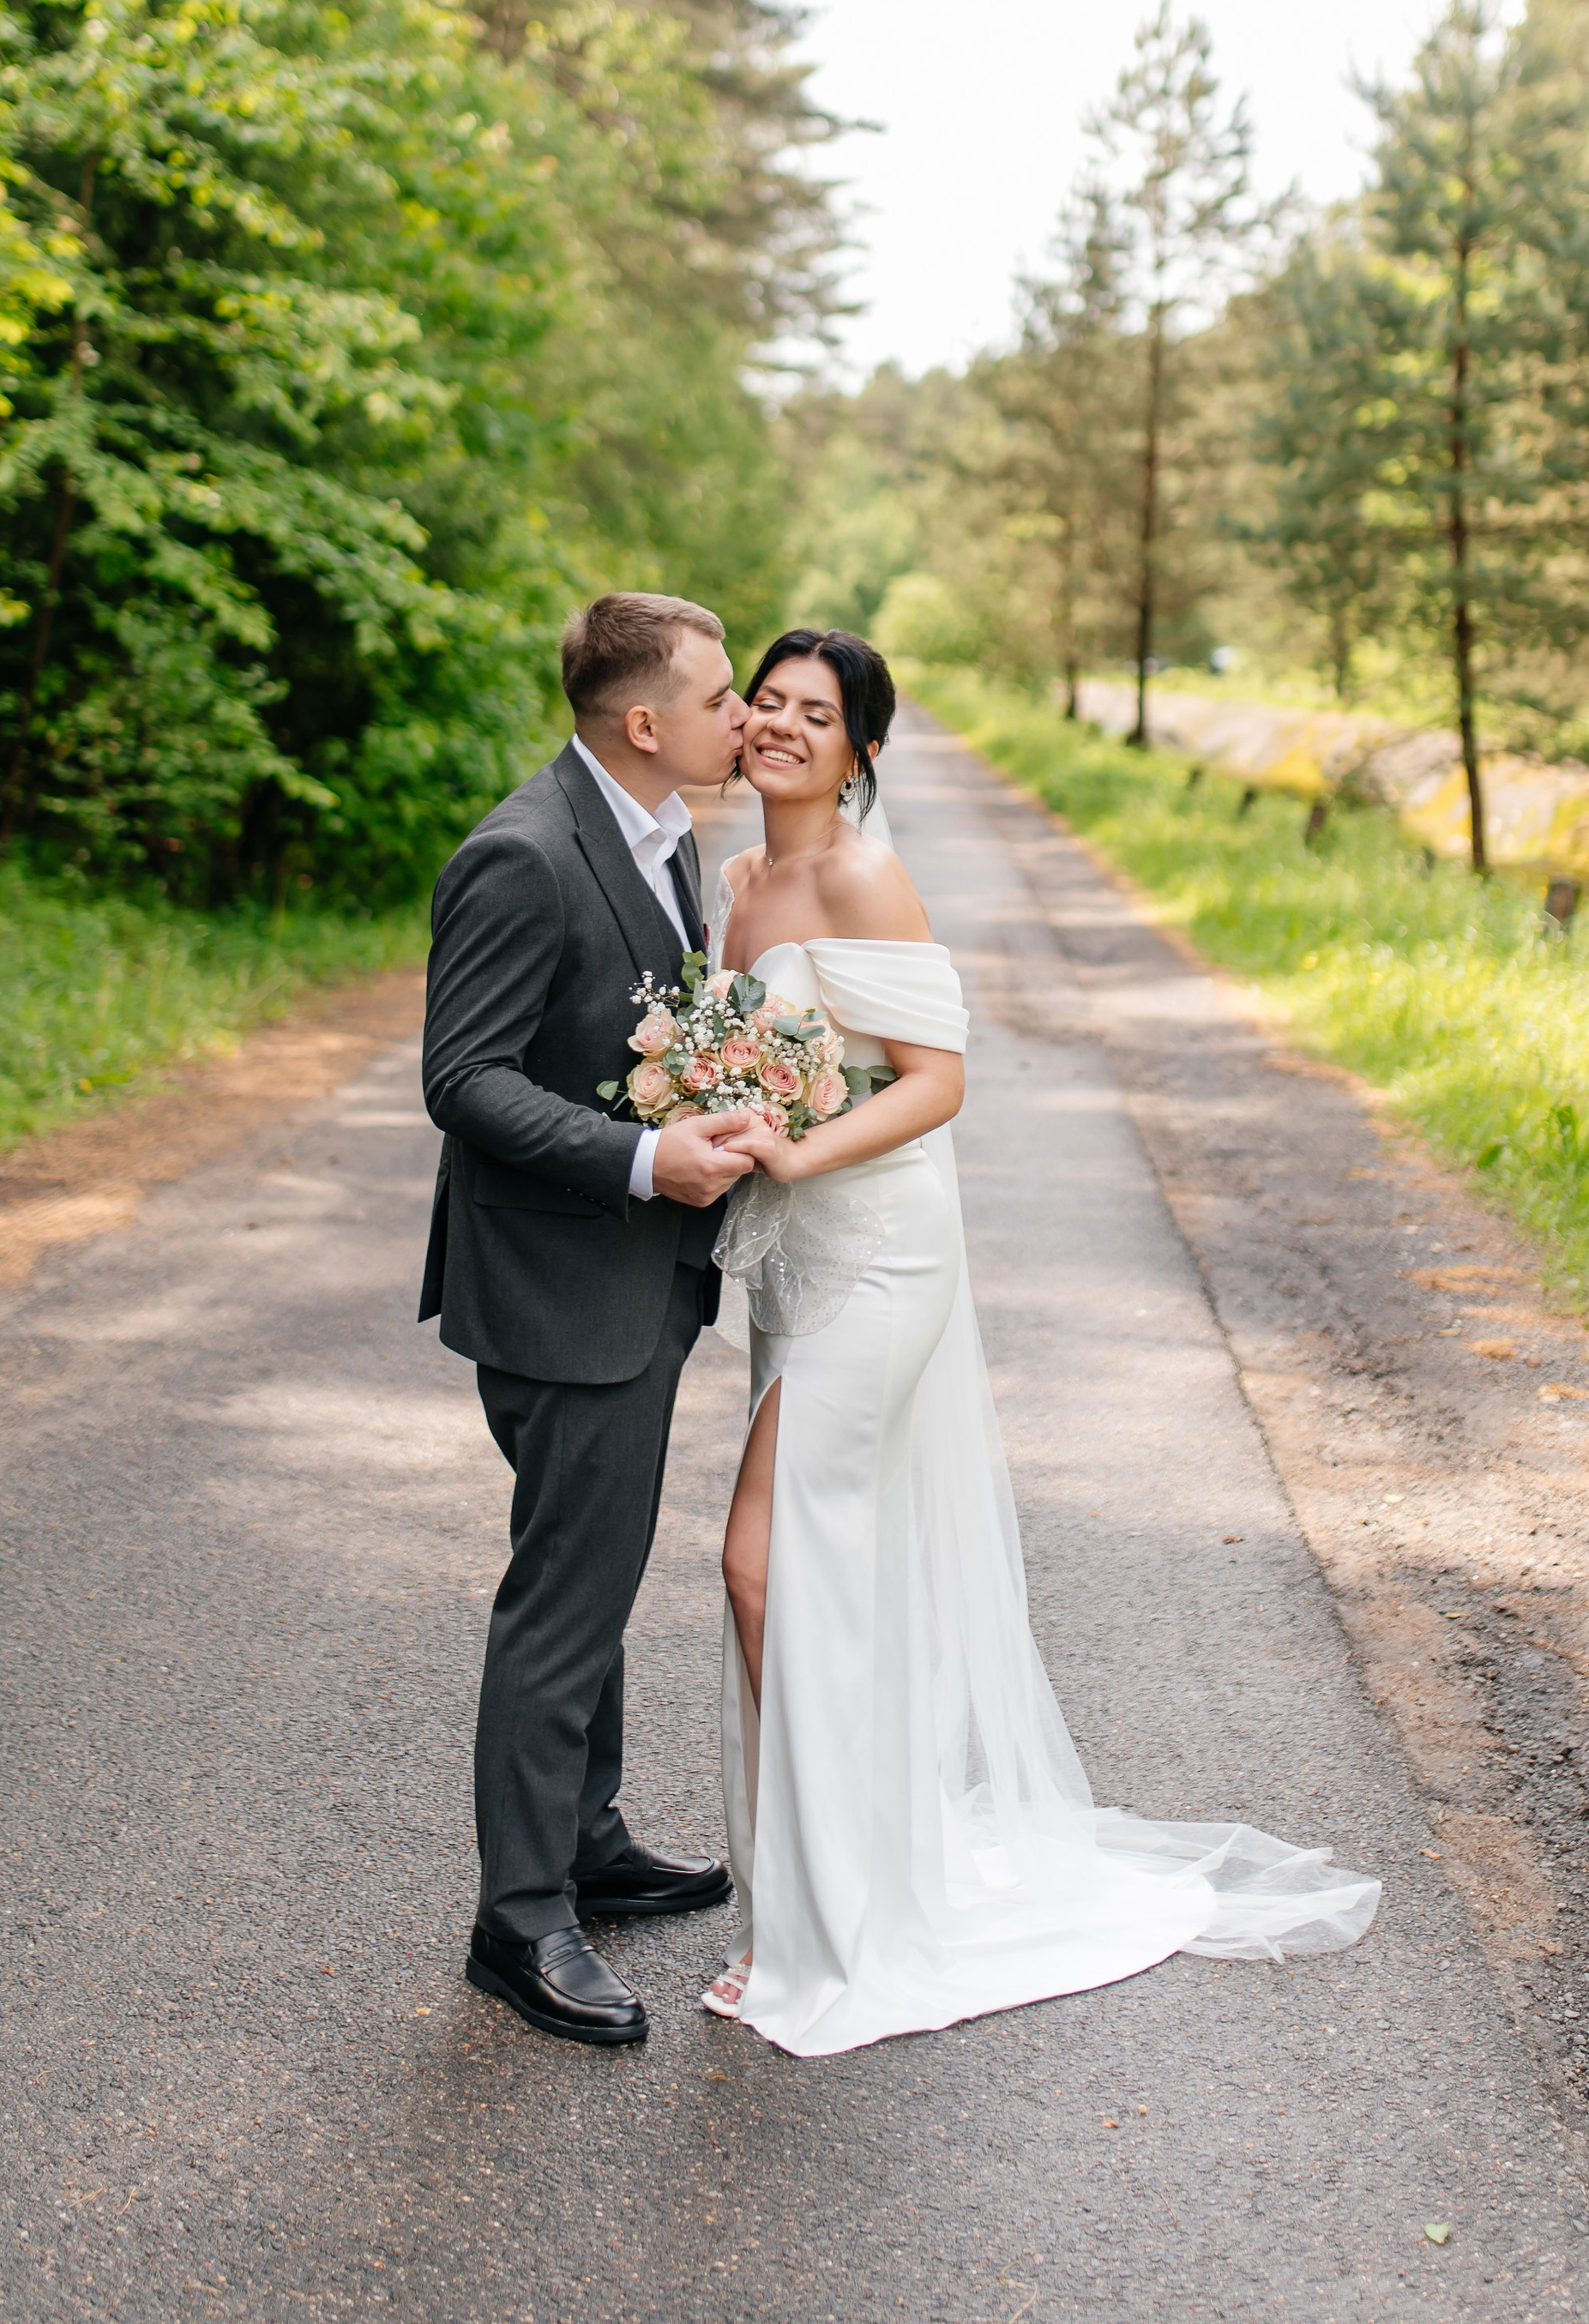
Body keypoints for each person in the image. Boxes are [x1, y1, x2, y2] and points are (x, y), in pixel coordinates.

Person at [701, 629, 1381, 2057]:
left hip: (879, 1254)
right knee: (816, 1574)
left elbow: (939, 1082)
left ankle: (838, 1925)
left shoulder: (861, 876)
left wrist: (798, 1148)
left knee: (763, 1564)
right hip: (792, 1264)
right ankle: (809, 1902)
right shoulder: (741, 882)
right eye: (764, 702)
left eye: (814, 715)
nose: (778, 726)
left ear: (860, 751)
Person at [420, 592, 758, 2048]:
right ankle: (521, 1920)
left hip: (637, 1280)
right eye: (721, 696)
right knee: (563, 1599)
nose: (740, 716)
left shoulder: (661, 832)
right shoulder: (521, 852)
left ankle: (592, 1841)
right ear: (645, 722)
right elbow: (467, 1079)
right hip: (563, 1288)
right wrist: (642, 1157)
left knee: (596, 1569)